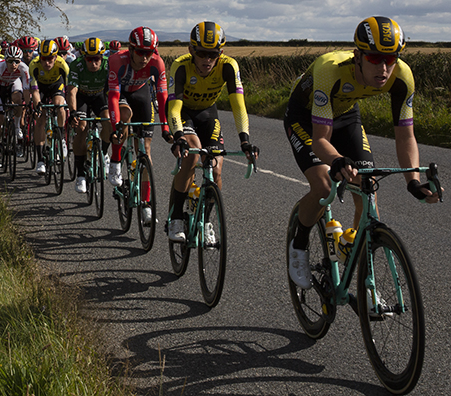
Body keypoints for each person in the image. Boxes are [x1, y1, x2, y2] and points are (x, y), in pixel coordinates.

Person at [285, 16, 442, 289]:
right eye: (374, 59)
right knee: (323, 185)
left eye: (390, 59)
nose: (383, 68)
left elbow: (406, 136)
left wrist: (413, 182)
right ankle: (298, 247)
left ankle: (355, 253)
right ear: (357, 55)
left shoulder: (402, 76)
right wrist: (336, 161)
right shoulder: (329, 70)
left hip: (345, 115)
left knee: (367, 185)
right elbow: (321, 139)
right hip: (306, 118)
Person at [167, 21, 259, 242]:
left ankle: (206, 221)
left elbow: (238, 106)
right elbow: (174, 107)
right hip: (184, 112)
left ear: (221, 52)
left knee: (216, 168)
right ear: (191, 50)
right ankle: (176, 217)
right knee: (193, 153)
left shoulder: (228, 66)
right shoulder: (181, 66)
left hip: (208, 112)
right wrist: (178, 135)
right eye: (201, 54)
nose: (207, 60)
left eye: (213, 54)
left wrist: (245, 141)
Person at [106, 27, 172, 225]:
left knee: (146, 151)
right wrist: (116, 125)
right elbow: (114, 96)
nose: (144, 57)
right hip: (121, 93)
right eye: (140, 52)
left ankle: (146, 204)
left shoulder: (157, 63)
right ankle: (116, 161)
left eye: (149, 52)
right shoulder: (117, 61)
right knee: (124, 116)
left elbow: (162, 96)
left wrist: (166, 128)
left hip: (141, 93)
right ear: (131, 49)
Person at [67, 37, 112, 194]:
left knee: (108, 123)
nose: (94, 63)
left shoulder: (108, 64)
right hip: (82, 97)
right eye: (89, 59)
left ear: (102, 57)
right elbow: (72, 91)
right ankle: (80, 174)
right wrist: (72, 112)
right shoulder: (76, 65)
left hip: (100, 96)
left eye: (97, 59)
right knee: (82, 127)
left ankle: (104, 153)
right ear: (83, 57)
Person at [30, 39, 70, 175]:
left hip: (56, 85)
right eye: (44, 59)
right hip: (40, 87)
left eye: (50, 59)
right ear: (39, 57)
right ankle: (40, 160)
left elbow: (69, 88)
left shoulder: (62, 64)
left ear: (56, 57)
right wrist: (38, 106)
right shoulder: (34, 65)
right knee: (40, 120)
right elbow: (34, 91)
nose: (47, 62)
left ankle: (61, 137)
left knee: (60, 106)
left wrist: (70, 104)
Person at [0, 45, 31, 168]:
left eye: (16, 62)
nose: (13, 65)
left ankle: (17, 127)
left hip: (14, 83)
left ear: (20, 61)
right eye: (10, 61)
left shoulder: (24, 68)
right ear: (5, 60)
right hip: (1, 88)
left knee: (18, 100)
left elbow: (26, 90)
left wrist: (28, 105)